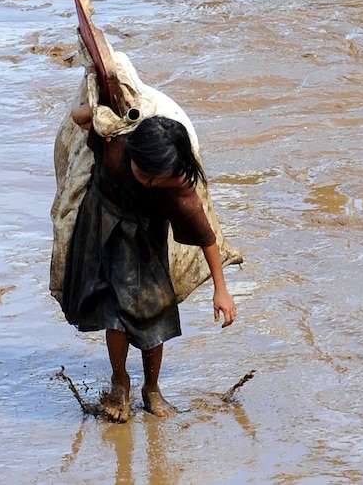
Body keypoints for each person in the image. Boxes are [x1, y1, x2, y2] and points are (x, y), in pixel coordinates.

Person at [62, 107, 237, 422]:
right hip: (102, 228)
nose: (148, 180)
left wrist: (221, 290)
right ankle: (120, 382)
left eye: (157, 176)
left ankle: (152, 388)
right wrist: (97, 110)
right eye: (142, 170)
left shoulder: (179, 188)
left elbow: (207, 238)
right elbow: (79, 118)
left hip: (145, 242)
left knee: (153, 311)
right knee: (113, 310)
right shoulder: (115, 145)